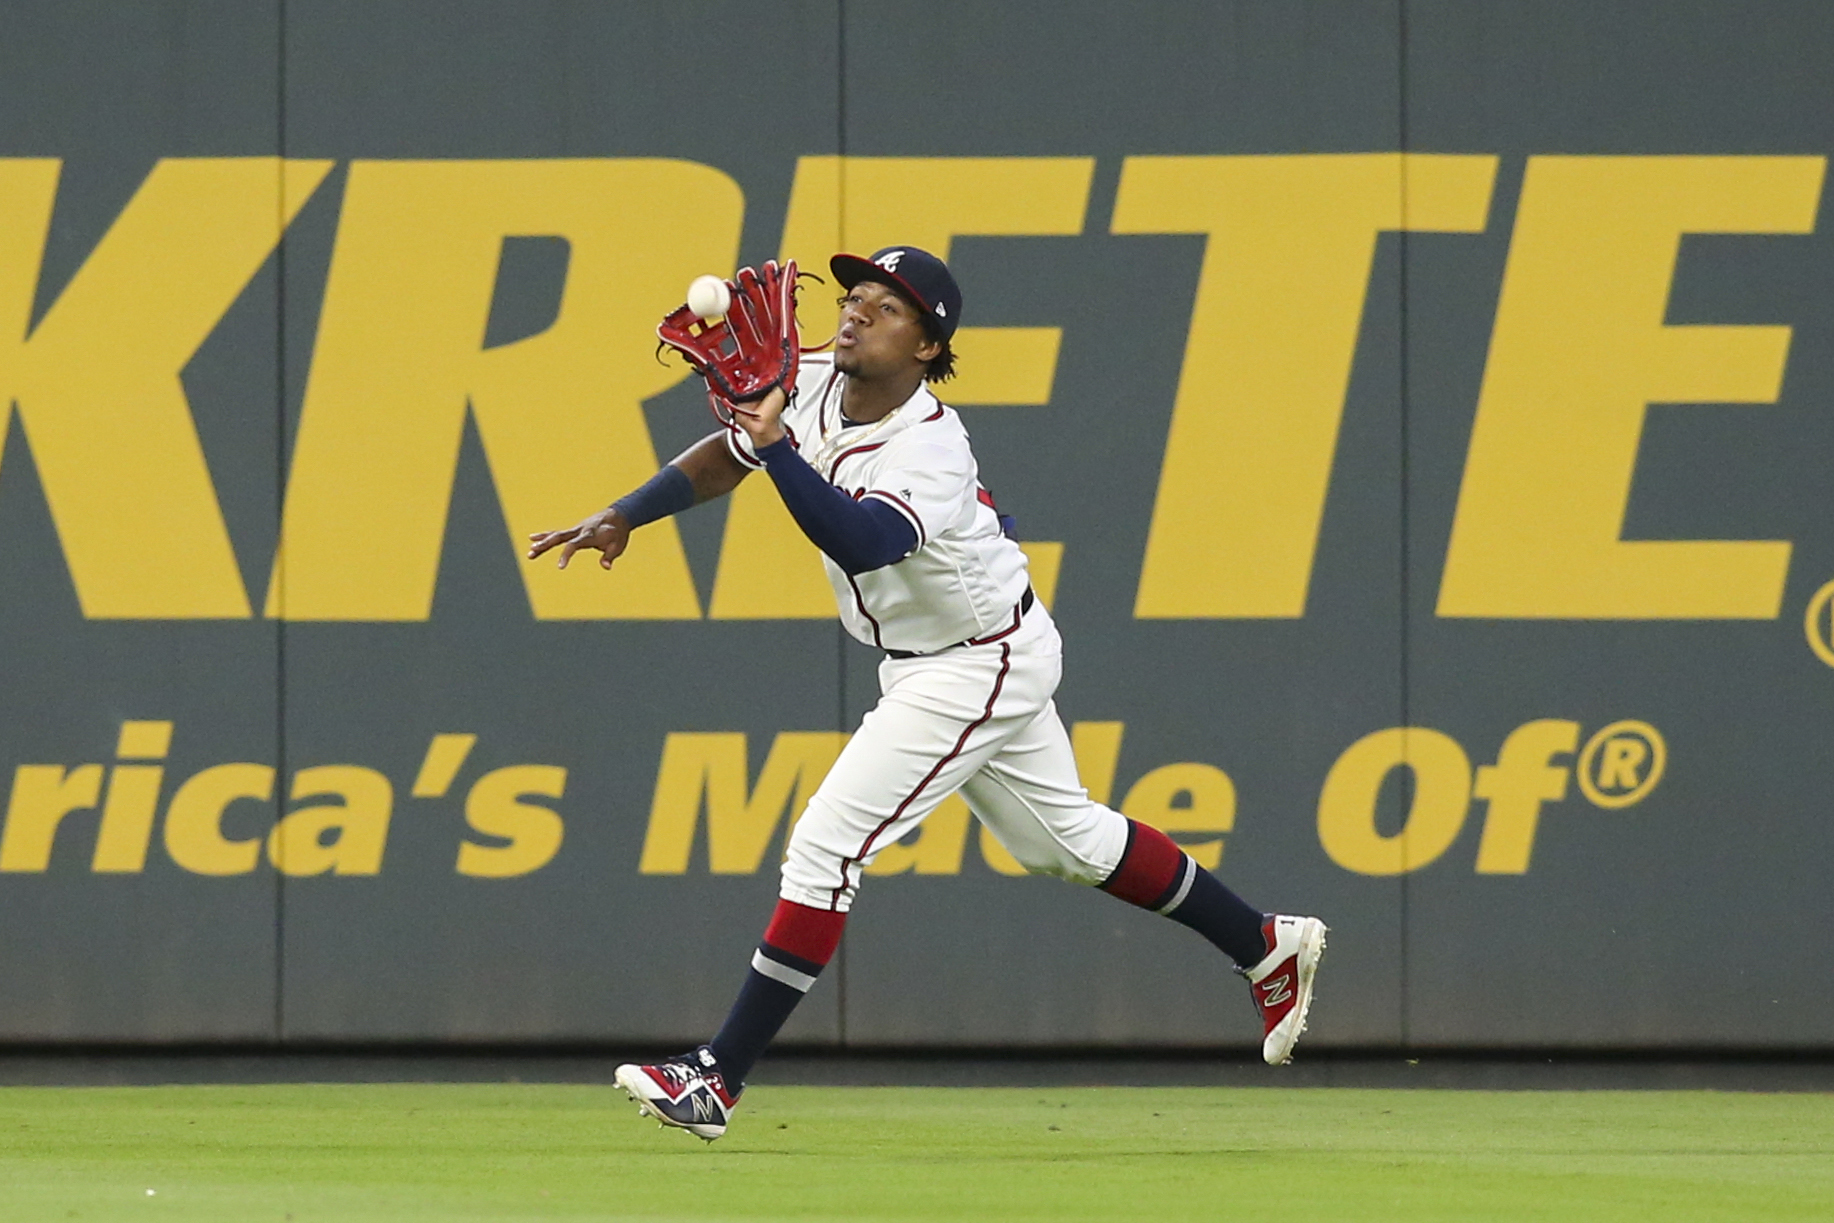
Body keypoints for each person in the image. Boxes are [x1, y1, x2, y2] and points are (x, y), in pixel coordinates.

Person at [526, 246, 1326, 1142]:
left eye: (887, 307)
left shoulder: (931, 446)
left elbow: (865, 539)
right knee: (1066, 842)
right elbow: (730, 452)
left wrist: (777, 441)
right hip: (936, 653)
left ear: (926, 346)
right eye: (856, 296)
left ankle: (716, 1078)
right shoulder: (816, 381)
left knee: (825, 844)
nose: (858, 312)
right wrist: (627, 513)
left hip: (975, 659)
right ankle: (1264, 943)